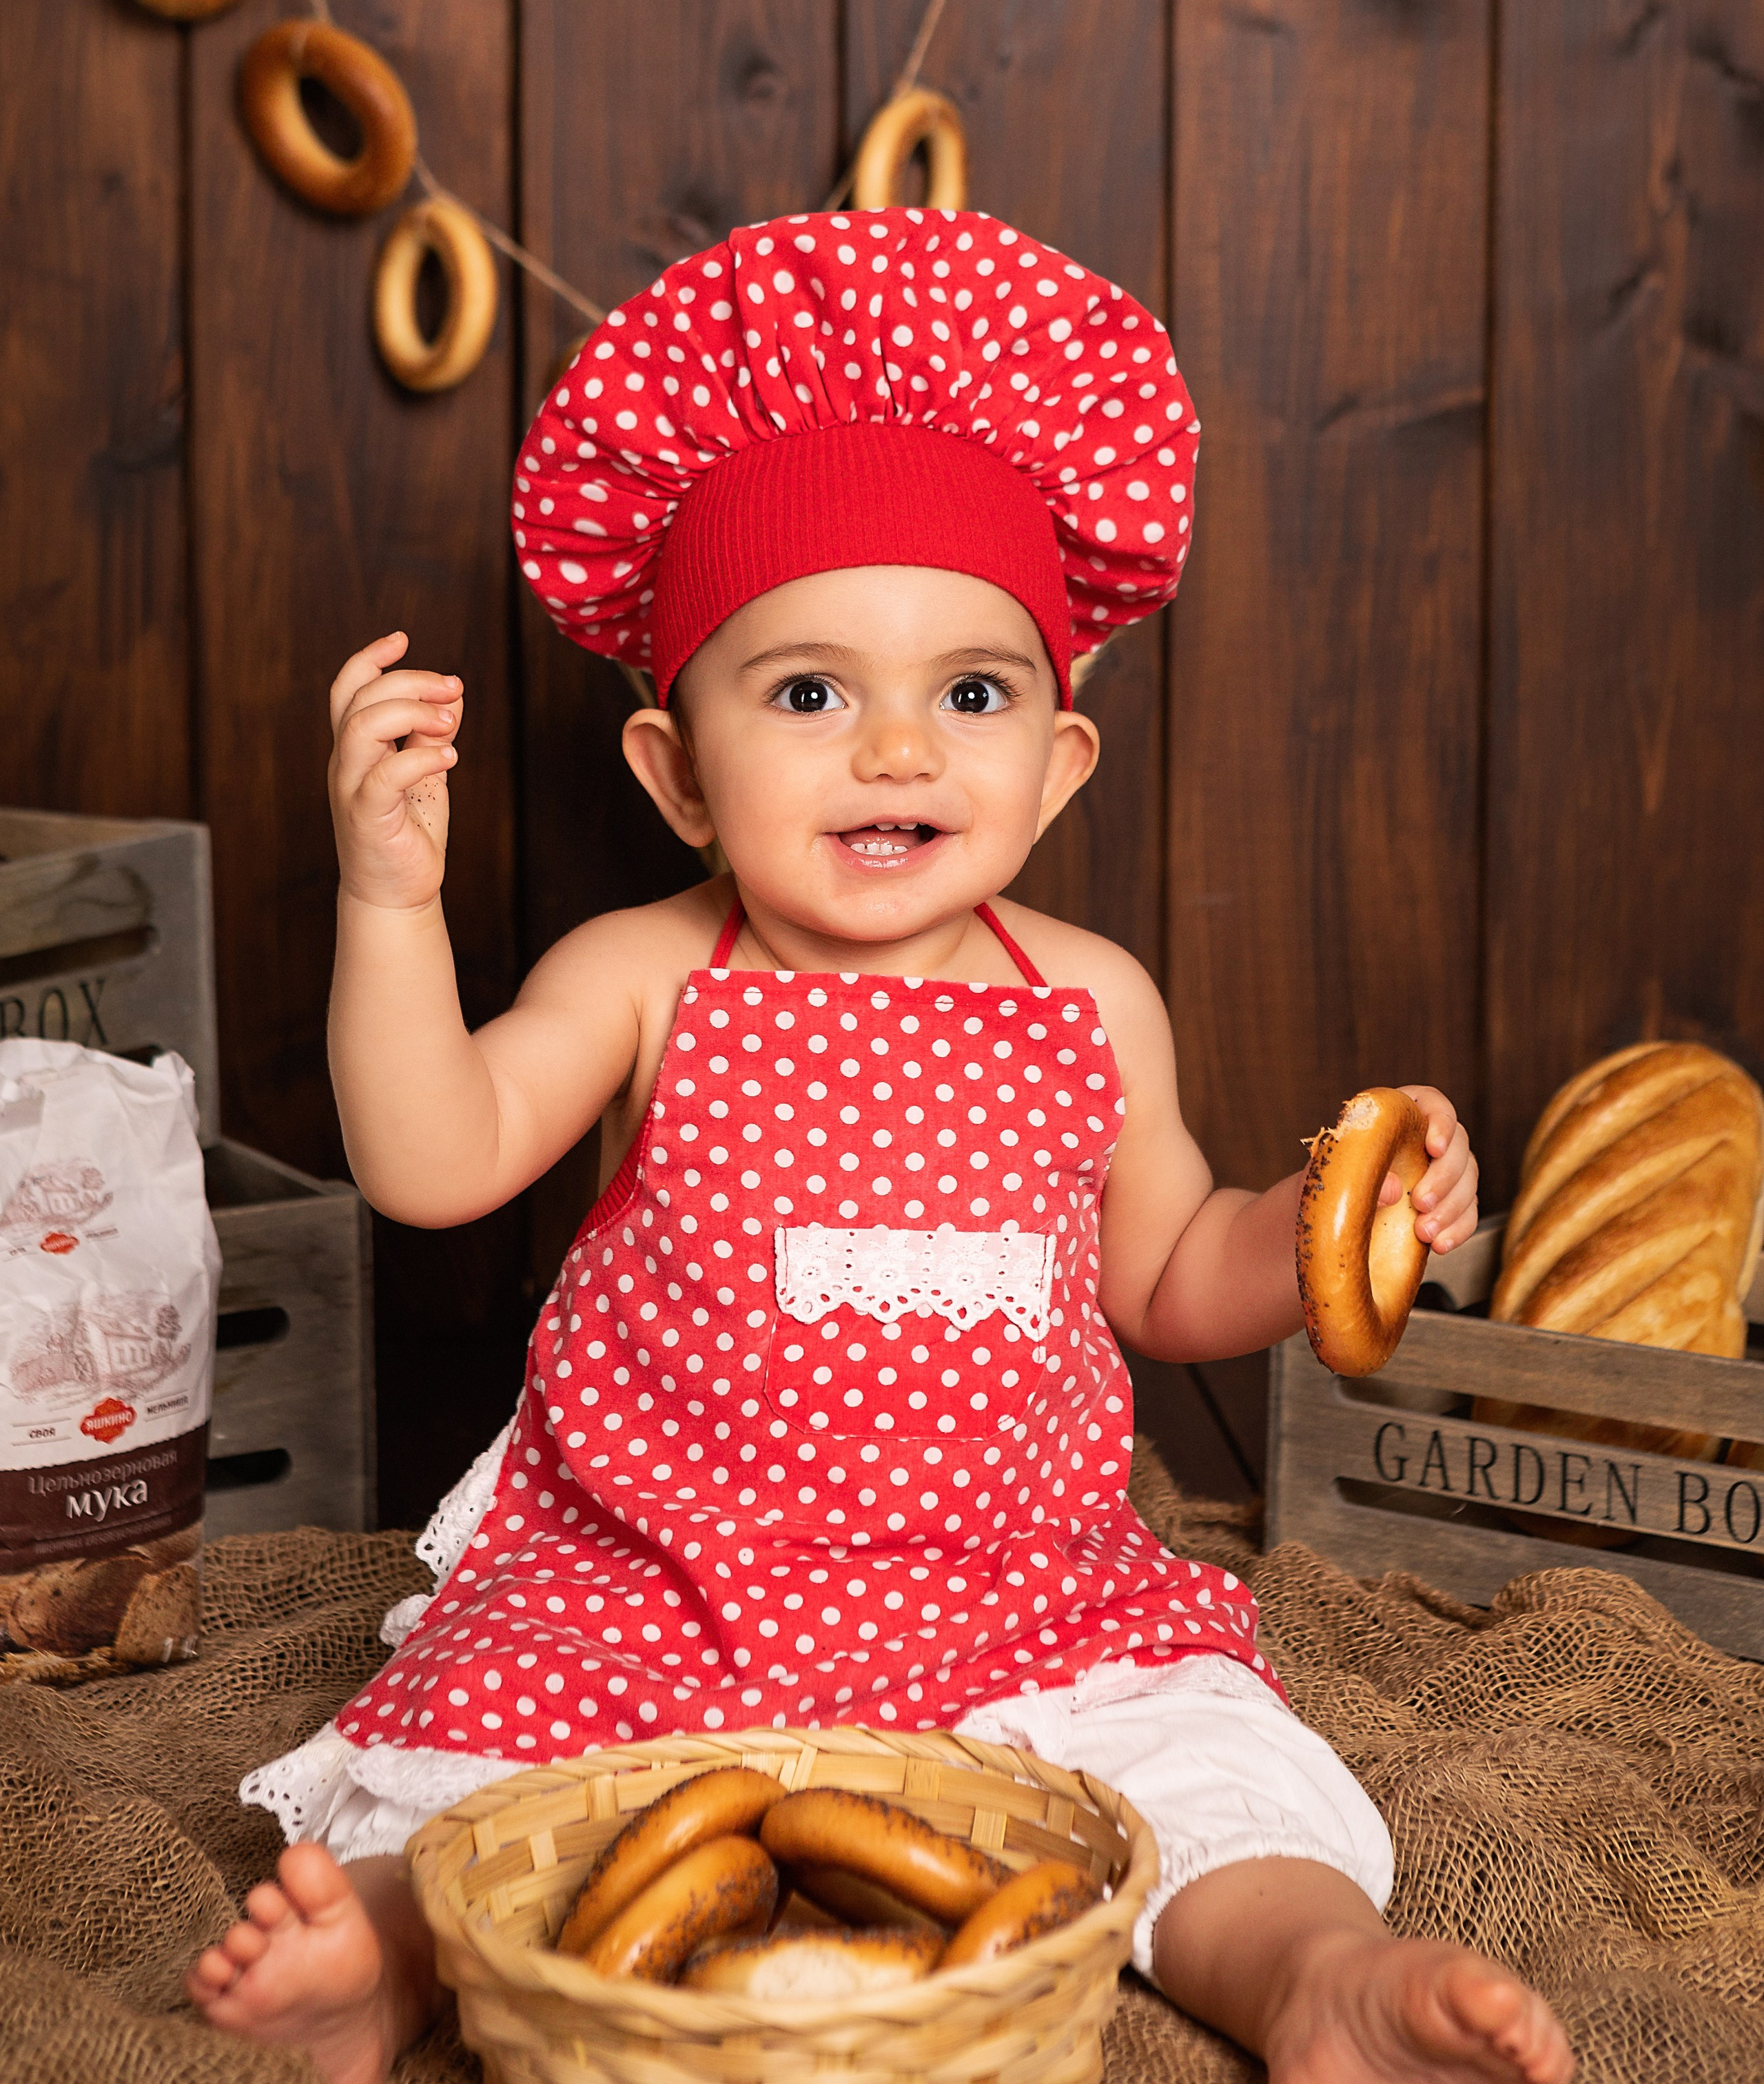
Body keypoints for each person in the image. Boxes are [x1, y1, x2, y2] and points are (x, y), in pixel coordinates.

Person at [187, 211, 1574, 2084]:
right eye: (812, 692)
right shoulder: (646, 975)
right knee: (494, 1788)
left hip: (1022, 1594)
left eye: (973, 694)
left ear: (1058, 764)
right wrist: (386, 903)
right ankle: (399, 1958)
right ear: (680, 770)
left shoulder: (1089, 998)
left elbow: (1175, 1274)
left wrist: (1351, 1221)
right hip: (657, 1586)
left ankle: (1316, 1978)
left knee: (1214, 1774)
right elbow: (432, 1161)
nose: (900, 749)